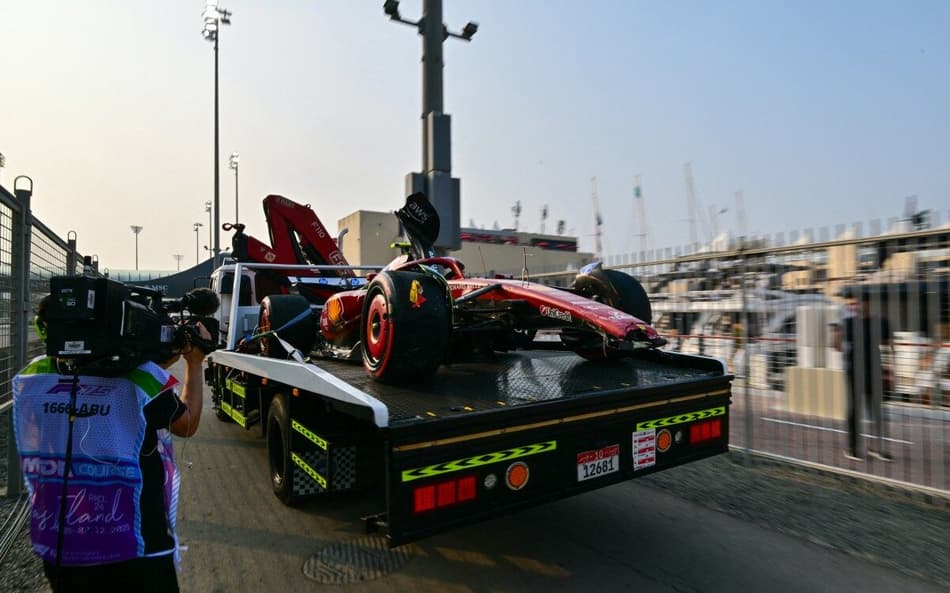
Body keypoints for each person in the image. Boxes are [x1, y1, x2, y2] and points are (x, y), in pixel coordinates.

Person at [13, 294, 212, 593]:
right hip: (135, 541)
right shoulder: (138, 380)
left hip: (61, 540)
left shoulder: (33, 377)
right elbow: (188, 422)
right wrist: (194, 362)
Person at [833, 287, 893, 462]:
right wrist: (836, 329)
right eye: (851, 303)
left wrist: (891, 368)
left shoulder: (880, 321)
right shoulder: (848, 322)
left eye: (857, 302)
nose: (854, 306)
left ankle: (877, 448)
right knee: (854, 410)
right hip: (852, 372)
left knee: (877, 410)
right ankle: (852, 448)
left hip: (875, 371)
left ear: (867, 303)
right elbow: (835, 346)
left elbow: (889, 344)